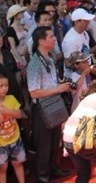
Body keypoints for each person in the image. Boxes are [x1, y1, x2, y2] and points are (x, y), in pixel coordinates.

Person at [27, 26, 72, 183]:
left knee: (54, 141)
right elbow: (33, 92)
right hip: (42, 108)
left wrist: (61, 85)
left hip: (54, 103)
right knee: (44, 145)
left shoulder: (50, 57)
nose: (54, 39)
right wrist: (58, 88)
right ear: (41, 41)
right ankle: (42, 177)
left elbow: (50, 82)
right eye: (51, 37)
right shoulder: (34, 64)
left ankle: (54, 169)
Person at [0, 73, 25, 183]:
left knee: (18, 163)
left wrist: (9, 111)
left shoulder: (11, 99)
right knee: (2, 168)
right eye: (1, 86)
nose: (4, 88)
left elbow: (20, 114)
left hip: (15, 139)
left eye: (6, 85)